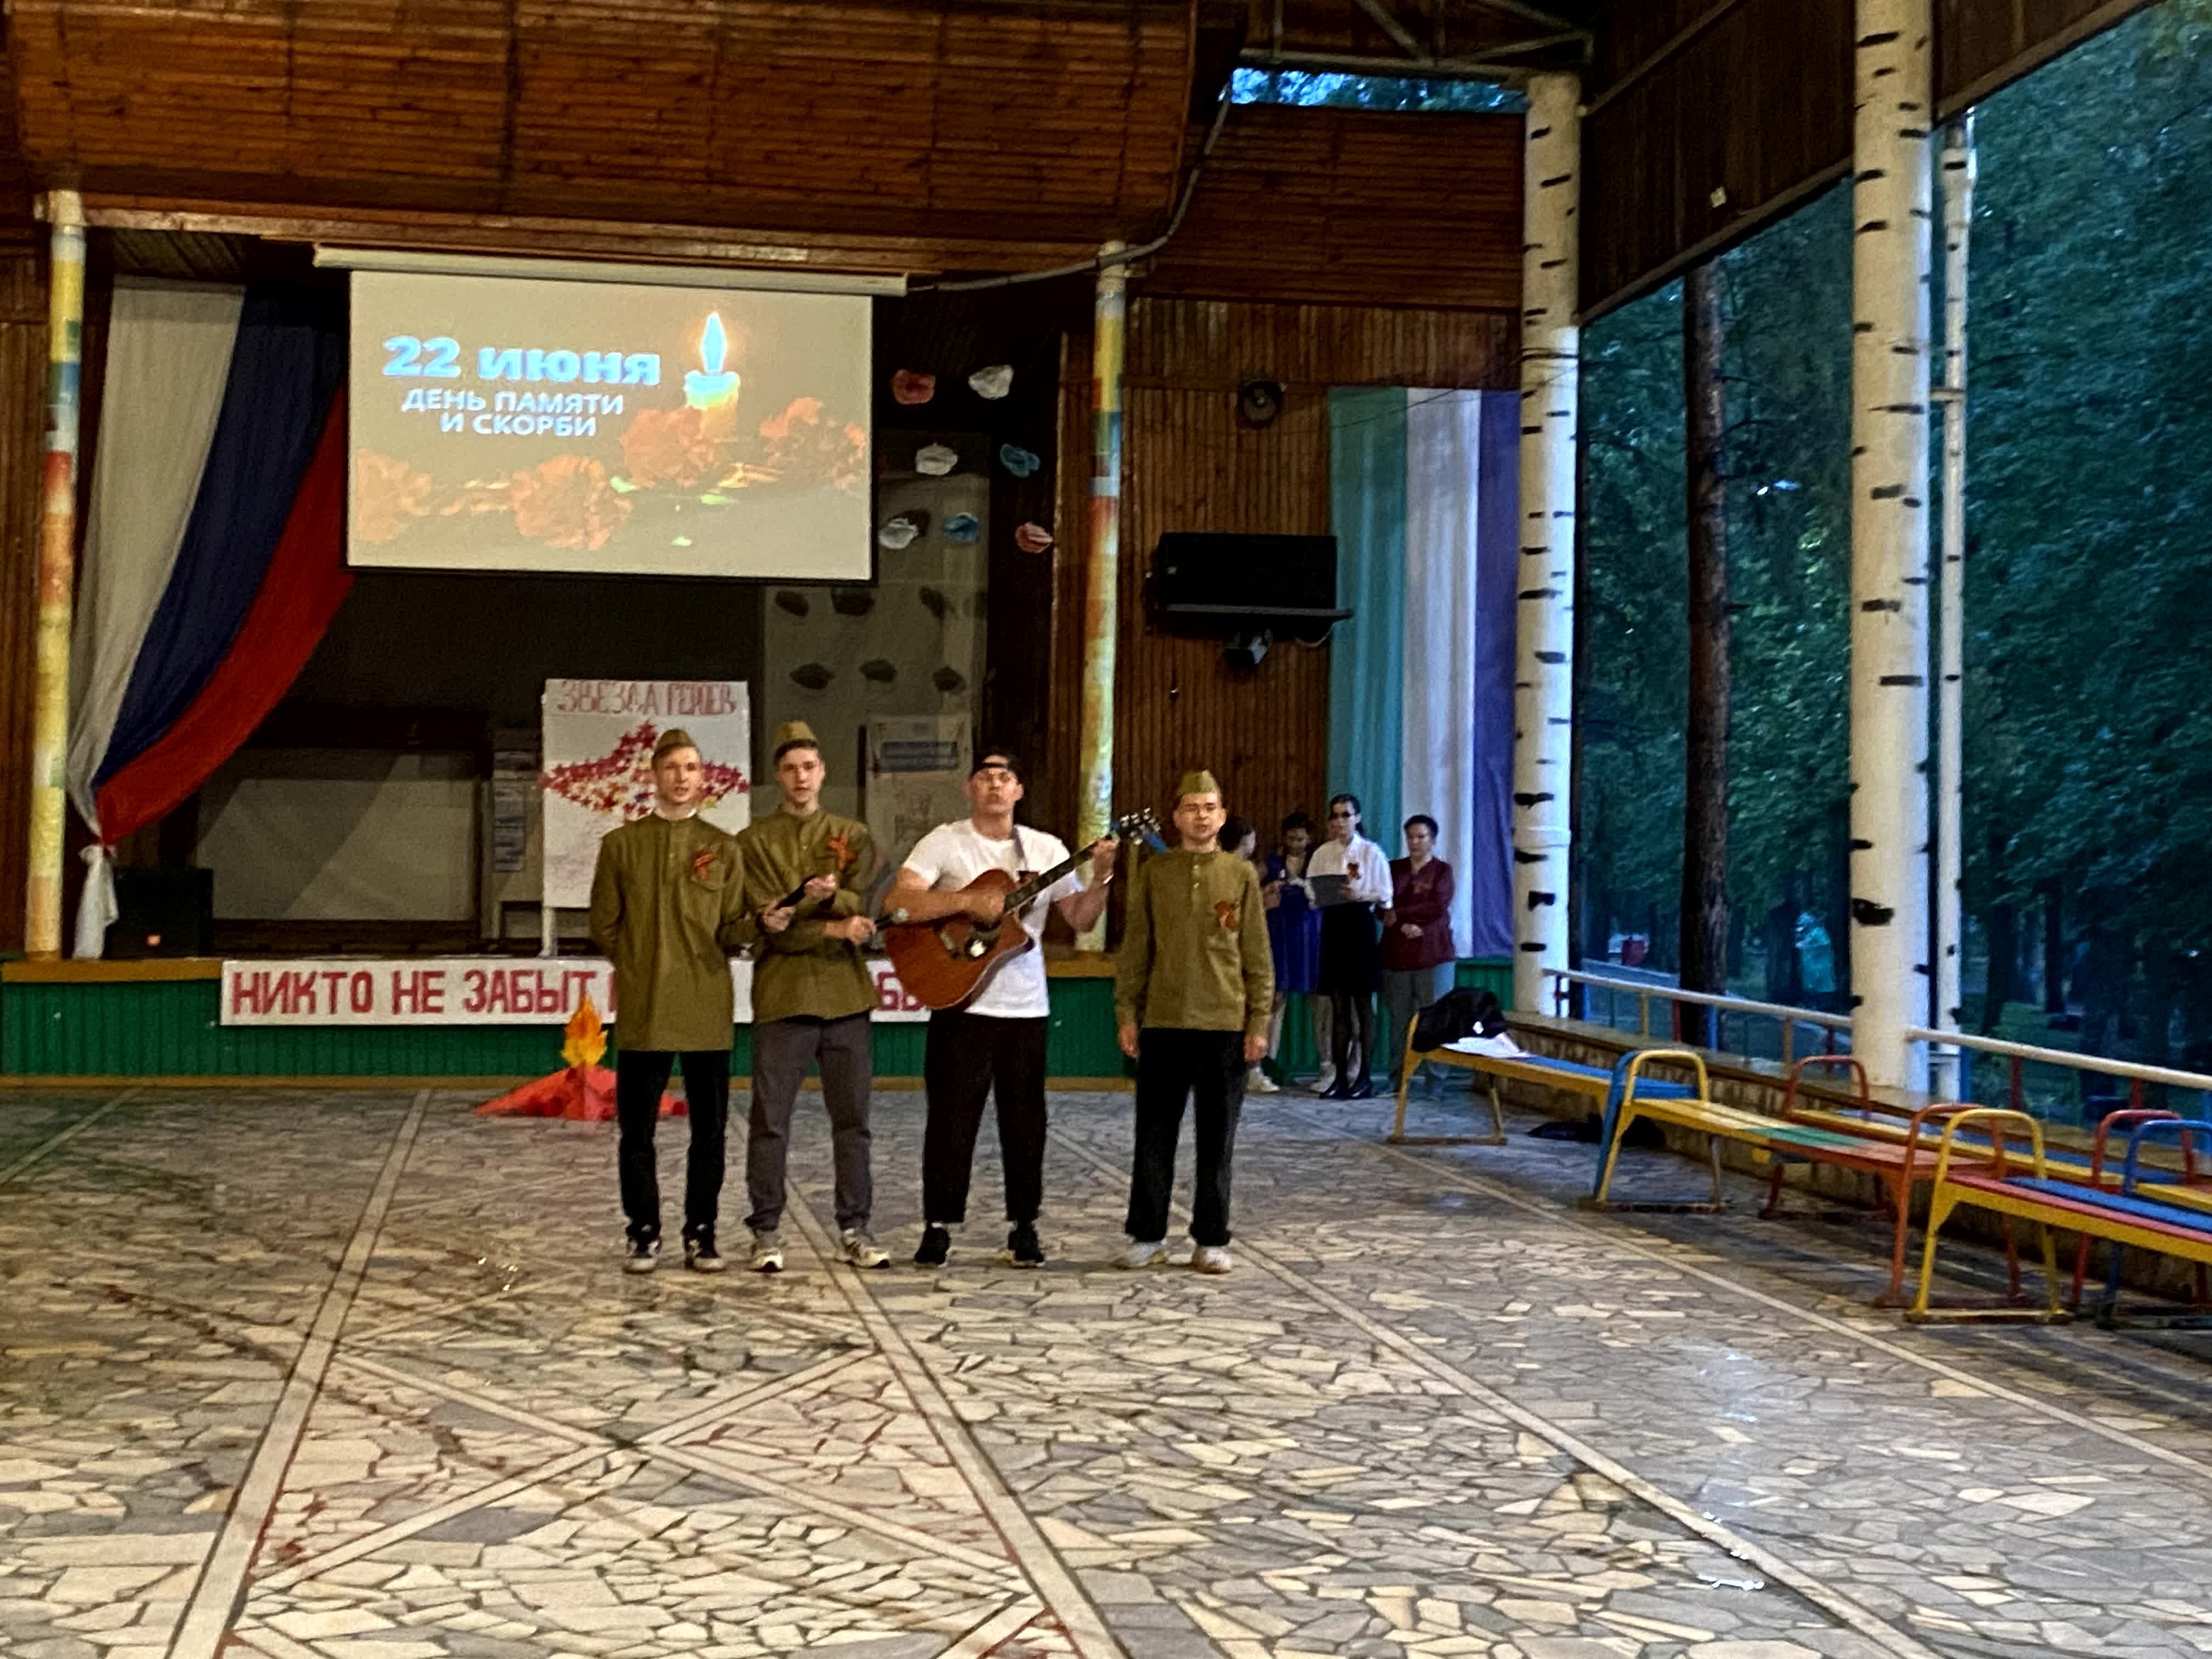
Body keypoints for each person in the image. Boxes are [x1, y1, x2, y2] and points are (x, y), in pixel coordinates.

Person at [890, 749, 1116, 1268]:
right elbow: (901, 903)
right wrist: (965, 902)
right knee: (951, 1121)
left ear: (1018, 791)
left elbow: (1081, 920)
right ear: (969, 788)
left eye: (1005, 777)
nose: (995, 784)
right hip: (961, 1003)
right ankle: (938, 1225)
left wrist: (1101, 878)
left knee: (1025, 1123)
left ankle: (1024, 1225)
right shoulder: (944, 841)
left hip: (1025, 1008)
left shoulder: (1046, 848)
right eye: (986, 777)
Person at [588, 728, 752, 1274]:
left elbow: (732, 927)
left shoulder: (724, 847)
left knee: (710, 1131)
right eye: (672, 767)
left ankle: (701, 1233)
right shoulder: (621, 846)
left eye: (691, 768)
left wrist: (762, 925)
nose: (682, 777)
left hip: (706, 1007)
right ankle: (643, 1232)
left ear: (704, 779)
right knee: (637, 1131)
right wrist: (639, 964)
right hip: (645, 1008)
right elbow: (604, 925)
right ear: (654, 775)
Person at [734, 721, 886, 1273]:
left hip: (846, 997)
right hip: (783, 997)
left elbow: (867, 903)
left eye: (809, 767)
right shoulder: (752, 842)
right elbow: (768, 923)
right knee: (771, 1119)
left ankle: (855, 1227)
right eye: (790, 768)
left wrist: (826, 902)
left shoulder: (852, 834)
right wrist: (831, 924)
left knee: (853, 1121)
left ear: (823, 772)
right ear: (777, 776)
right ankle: (766, 1230)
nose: (801, 777)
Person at [1115, 770, 1273, 1274]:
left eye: (1209, 807)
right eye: (1191, 808)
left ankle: (1211, 1238)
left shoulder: (1240, 875)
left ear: (1222, 816)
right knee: (1153, 1135)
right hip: (1163, 1022)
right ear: (1176, 817)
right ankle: (1147, 1234)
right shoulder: (1155, 873)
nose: (1200, 816)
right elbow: (1136, 949)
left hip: (1225, 1025)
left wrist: (1258, 1021)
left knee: (1217, 1139)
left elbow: (1257, 956)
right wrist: (1127, 1012)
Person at [1306, 792, 1393, 1099]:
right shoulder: (1323, 853)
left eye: (1346, 815)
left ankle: (1364, 1076)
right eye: (1335, 815)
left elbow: (1385, 893)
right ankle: (1340, 1076)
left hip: (1359, 925)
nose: (1340, 821)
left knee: (1362, 1004)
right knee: (1338, 1004)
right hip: (1333, 925)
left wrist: (1360, 895)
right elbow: (1311, 889)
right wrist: (1318, 896)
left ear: (1357, 818)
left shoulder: (1371, 852)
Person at [1380, 814, 1457, 1096]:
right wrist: (1400, 923)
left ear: (1432, 840)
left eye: (1421, 837)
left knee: (1434, 1018)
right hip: (1397, 954)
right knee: (1399, 1021)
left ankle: (1435, 1081)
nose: (1414, 842)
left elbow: (1437, 905)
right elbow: (1381, 905)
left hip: (1433, 953)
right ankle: (1397, 1079)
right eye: (1410, 836)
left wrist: (1401, 915)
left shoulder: (1442, 871)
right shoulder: (1394, 869)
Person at [1262, 812, 1326, 1091]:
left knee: (1319, 999)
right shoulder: (1272, 861)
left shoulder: (1319, 861)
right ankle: (1267, 1064)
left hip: (1311, 934)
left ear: (1309, 838)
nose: (1296, 844)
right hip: (1280, 933)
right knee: (1275, 998)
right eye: (1291, 838)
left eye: (1300, 839)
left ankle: (1327, 1064)